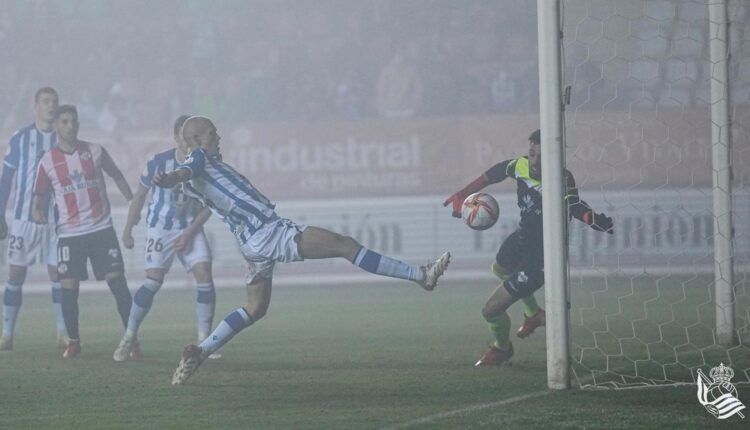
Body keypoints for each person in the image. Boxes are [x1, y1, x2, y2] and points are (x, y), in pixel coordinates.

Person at [154, 116, 450, 384]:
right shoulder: (198, 159)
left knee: (255, 309)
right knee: (345, 245)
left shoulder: (205, 165)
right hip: (267, 232)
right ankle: (420, 275)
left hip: (251, 242)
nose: (218, 137)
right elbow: (185, 171)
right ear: (196, 141)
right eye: (212, 133)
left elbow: (188, 176)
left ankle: (200, 352)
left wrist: (175, 178)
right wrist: (171, 178)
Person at [443, 129, 614, 367]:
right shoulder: (519, 166)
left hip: (543, 254)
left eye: (538, 153)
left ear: (551, 155)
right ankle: (534, 314)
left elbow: (574, 206)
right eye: (531, 151)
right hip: (523, 238)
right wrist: (463, 193)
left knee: (490, 310)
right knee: (500, 267)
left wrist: (593, 219)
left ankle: (502, 349)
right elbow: (494, 173)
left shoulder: (562, 178)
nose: (532, 158)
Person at [32, 105, 134, 358]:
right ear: (56, 125)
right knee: (68, 287)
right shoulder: (47, 161)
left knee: (118, 284)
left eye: (73, 121)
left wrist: (133, 202)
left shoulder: (95, 151)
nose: (70, 126)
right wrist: (37, 211)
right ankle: (74, 341)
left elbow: (117, 175)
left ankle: (132, 338)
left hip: (101, 229)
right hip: (69, 234)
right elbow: (39, 197)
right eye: (64, 121)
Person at [112, 115, 217, 362]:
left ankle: (204, 343)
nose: (187, 139)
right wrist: (128, 228)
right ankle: (128, 337)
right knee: (153, 281)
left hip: (190, 226)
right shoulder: (159, 162)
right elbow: (139, 196)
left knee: (204, 273)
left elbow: (210, 205)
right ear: (175, 137)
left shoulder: (206, 164)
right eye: (183, 134)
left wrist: (189, 233)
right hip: (160, 228)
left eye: (192, 134)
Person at [0, 87, 67, 350]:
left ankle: (62, 332)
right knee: (15, 275)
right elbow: (6, 179)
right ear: (35, 106)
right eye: (46, 102)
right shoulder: (20, 138)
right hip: (23, 220)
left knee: (59, 276)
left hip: (55, 222)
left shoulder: (63, 139)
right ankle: (7, 334)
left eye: (54, 102)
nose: (51, 106)